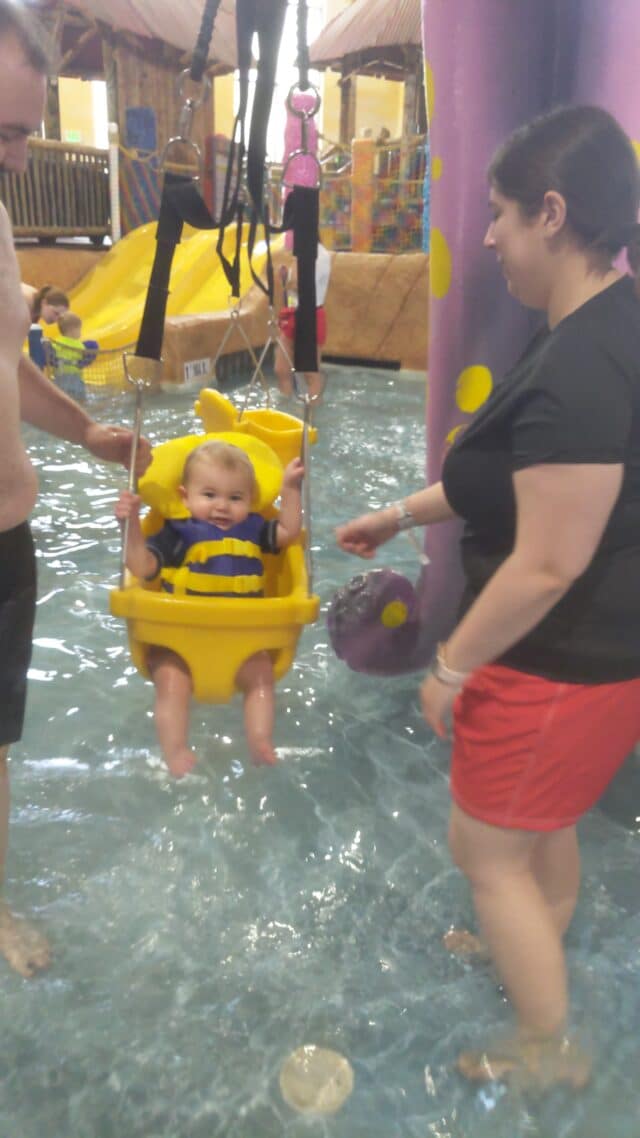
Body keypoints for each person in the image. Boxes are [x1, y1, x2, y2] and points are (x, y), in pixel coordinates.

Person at [337, 104, 640, 1088]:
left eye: (500, 214)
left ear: (551, 213)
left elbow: (548, 559)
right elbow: (508, 473)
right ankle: (530, 942)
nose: (486, 237)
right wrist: (397, 513)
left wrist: (453, 663)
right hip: (596, 663)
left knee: (487, 847)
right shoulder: (603, 324)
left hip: (556, 660)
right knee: (538, 824)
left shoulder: (586, 363)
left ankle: (549, 1047)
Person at [0, 1, 151, 978]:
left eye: (21, 133)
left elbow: (7, 364)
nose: (13, 159)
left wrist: (87, 429)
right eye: (2, 134)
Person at [115, 440, 305, 776]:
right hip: (180, 644)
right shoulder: (178, 533)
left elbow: (289, 532)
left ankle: (259, 739)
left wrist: (290, 488)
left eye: (235, 498)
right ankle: (175, 750)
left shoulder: (255, 528)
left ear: (251, 499)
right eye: (209, 495)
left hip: (242, 645)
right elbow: (142, 566)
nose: (222, 506)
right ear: (184, 496)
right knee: (171, 682)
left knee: (261, 677)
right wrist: (130, 525)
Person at [274, 241, 331, 400]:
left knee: (310, 374)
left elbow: (304, 285)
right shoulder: (298, 254)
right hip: (293, 312)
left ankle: (312, 415)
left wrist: (291, 280)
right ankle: (285, 410)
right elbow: (291, 287)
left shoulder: (320, 255)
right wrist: (285, 278)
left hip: (311, 314)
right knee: (281, 369)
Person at [48, 310, 98, 401]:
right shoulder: (79, 346)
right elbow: (91, 351)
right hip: (75, 381)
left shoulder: (57, 343)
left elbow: (50, 355)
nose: (80, 333)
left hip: (59, 381)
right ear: (72, 330)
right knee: (80, 401)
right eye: (79, 330)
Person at [25, 284, 69, 369]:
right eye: (55, 313)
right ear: (44, 303)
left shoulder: (36, 310)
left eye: (59, 317)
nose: (56, 320)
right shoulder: (26, 304)